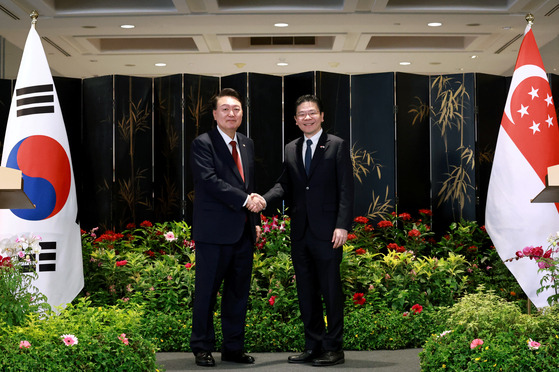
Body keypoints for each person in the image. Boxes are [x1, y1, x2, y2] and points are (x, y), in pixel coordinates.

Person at [254, 94, 354, 366]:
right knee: (307, 292)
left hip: (328, 233)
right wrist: (263, 199)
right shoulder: (290, 149)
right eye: (302, 114)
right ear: (296, 120)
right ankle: (313, 346)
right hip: (300, 233)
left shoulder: (337, 146)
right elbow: (284, 184)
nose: (307, 117)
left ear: (322, 116)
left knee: (331, 292)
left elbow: (346, 188)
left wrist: (342, 225)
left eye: (312, 113)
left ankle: (334, 348)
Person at [189, 88, 262, 367]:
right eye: (226, 109)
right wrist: (247, 200)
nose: (232, 114)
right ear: (215, 114)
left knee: (237, 293)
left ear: (242, 113)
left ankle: (233, 348)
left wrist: (254, 221)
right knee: (206, 292)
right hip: (214, 233)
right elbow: (209, 181)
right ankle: (202, 347)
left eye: (237, 109)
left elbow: (249, 186)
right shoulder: (203, 143)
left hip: (243, 231)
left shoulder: (246, 143)